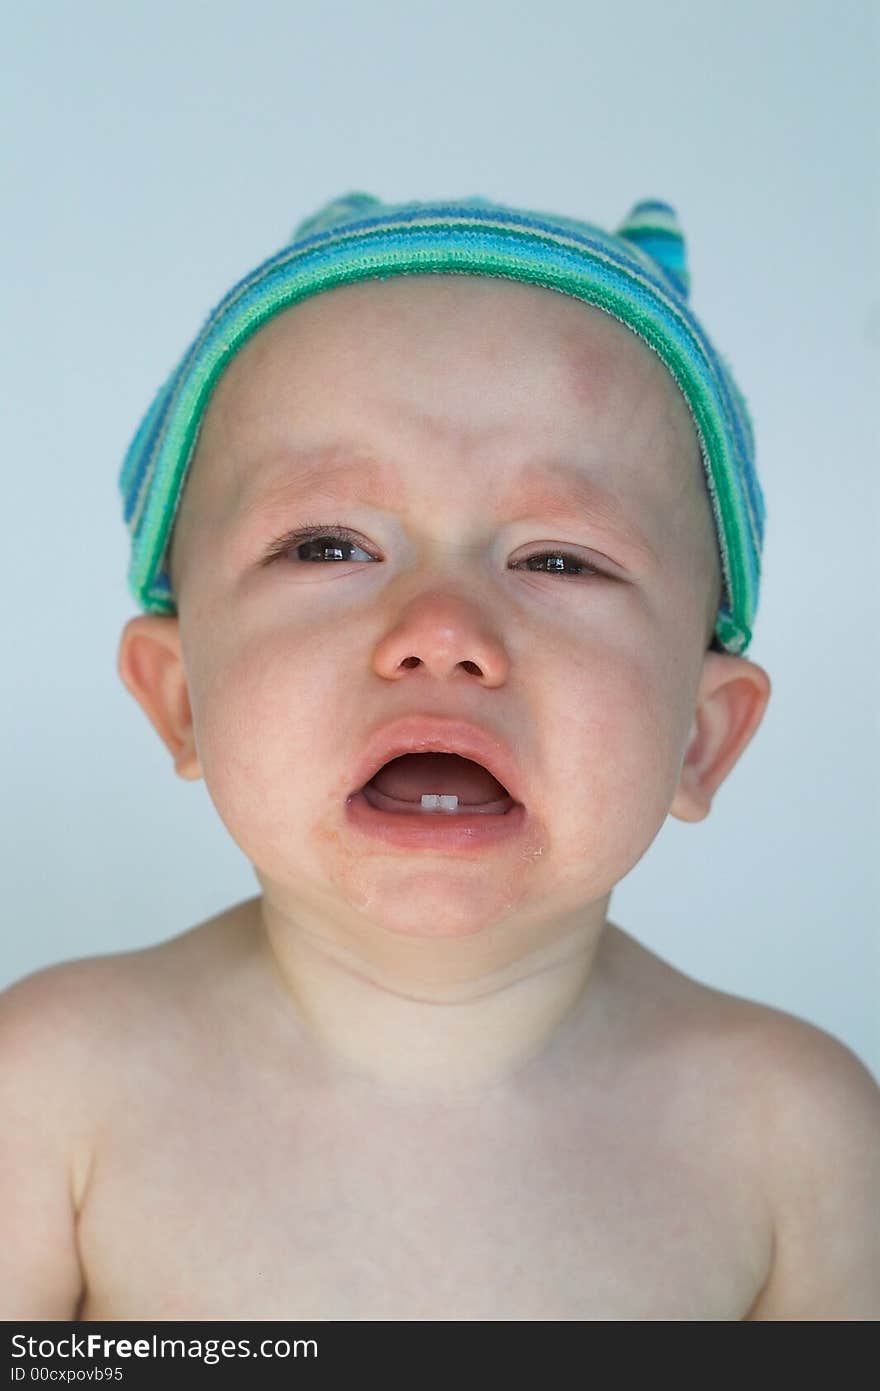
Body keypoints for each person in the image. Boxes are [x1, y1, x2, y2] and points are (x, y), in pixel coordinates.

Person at [3, 193, 878, 1321]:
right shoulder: (57, 1095)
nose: (444, 630)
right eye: (328, 543)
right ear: (181, 698)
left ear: (700, 736)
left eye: (560, 558)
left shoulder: (793, 1144)